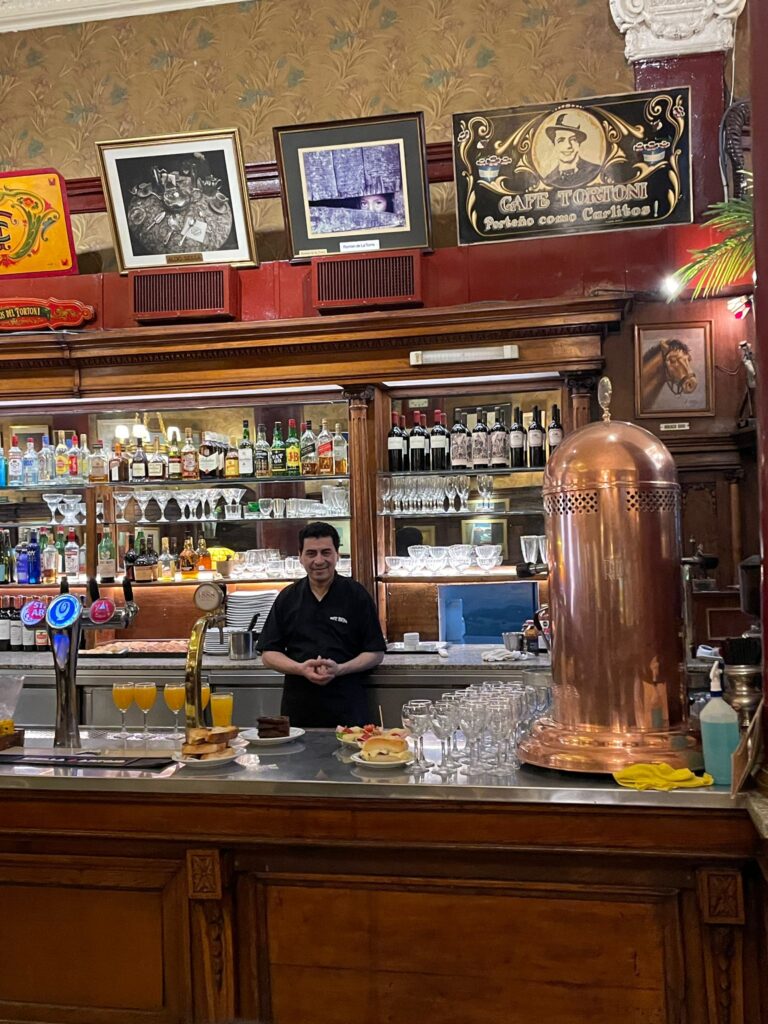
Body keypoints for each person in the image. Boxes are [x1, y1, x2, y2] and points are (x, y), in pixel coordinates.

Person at [257, 522, 386, 727]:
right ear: (300, 556)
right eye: (311, 553)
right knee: (298, 759)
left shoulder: (356, 595)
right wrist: (300, 668)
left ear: (337, 554)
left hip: (348, 706)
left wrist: (340, 669)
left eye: (326, 552)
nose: (319, 560)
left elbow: (375, 652)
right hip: (298, 707)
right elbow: (268, 654)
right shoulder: (288, 597)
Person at [543, 113, 601, 188]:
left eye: (573, 139)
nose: (568, 146)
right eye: (561, 140)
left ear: (579, 144)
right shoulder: (548, 180)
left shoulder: (595, 171)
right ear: (554, 145)